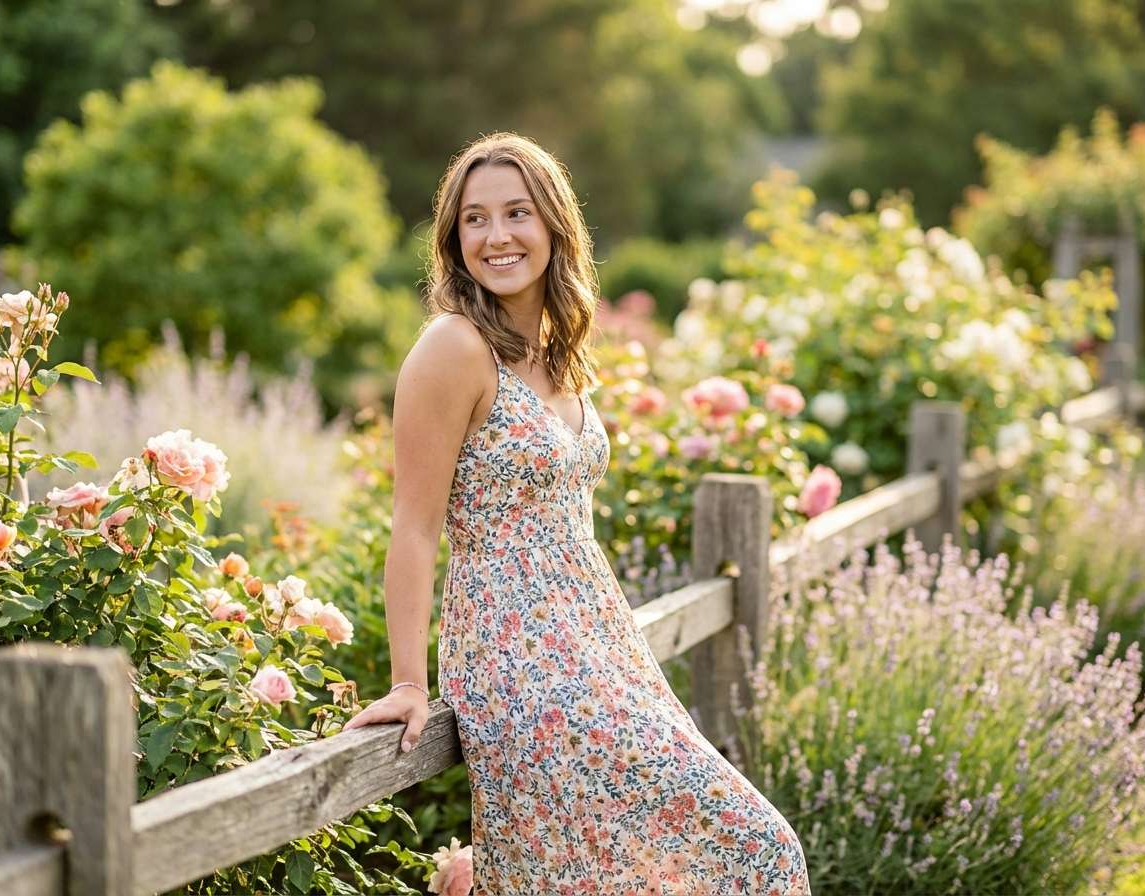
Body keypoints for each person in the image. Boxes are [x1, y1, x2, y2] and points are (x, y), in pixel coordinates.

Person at [342, 132, 810, 895]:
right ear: (454, 240)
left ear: (554, 225)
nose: (496, 235)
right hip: (518, 657)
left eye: (516, 213)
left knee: (624, 871)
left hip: (601, 645)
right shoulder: (453, 347)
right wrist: (408, 682)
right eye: (475, 219)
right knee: (757, 846)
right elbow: (415, 527)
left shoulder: (557, 351)